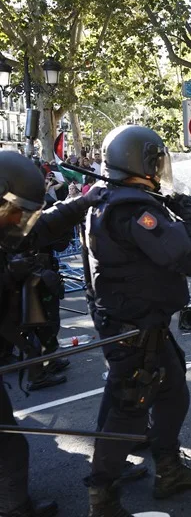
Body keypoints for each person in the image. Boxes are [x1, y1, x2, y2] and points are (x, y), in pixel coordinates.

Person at [83, 126, 191, 516]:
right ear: (140, 160)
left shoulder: (103, 200)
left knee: (152, 391)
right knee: (133, 405)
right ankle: (103, 495)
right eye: (157, 159)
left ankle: (167, 468)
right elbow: (189, 258)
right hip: (138, 326)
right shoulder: (136, 210)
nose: (161, 167)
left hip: (128, 321)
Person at [1, 151, 107, 517]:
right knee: (8, 445)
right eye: (16, 210)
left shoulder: (7, 228)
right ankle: (14, 508)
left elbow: (41, 226)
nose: (19, 221)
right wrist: (10, 277)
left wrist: (84, 200)